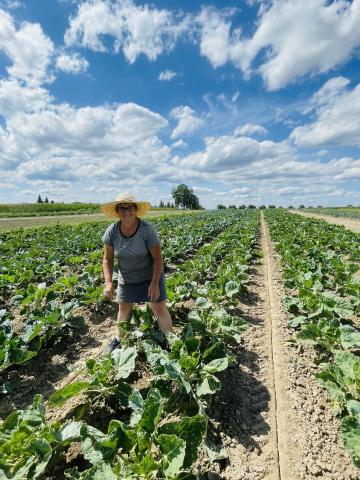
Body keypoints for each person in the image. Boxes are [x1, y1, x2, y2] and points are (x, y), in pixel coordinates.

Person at [101, 193, 173, 351]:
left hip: (151, 275)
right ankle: (120, 339)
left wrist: (154, 284)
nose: (126, 211)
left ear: (136, 210)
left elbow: (158, 259)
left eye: (130, 208)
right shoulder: (112, 232)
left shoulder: (147, 230)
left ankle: (169, 342)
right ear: (117, 211)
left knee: (158, 308)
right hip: (127, 277)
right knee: (124, 307)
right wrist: (108, 282)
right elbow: (107, 259)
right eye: (122, 208)